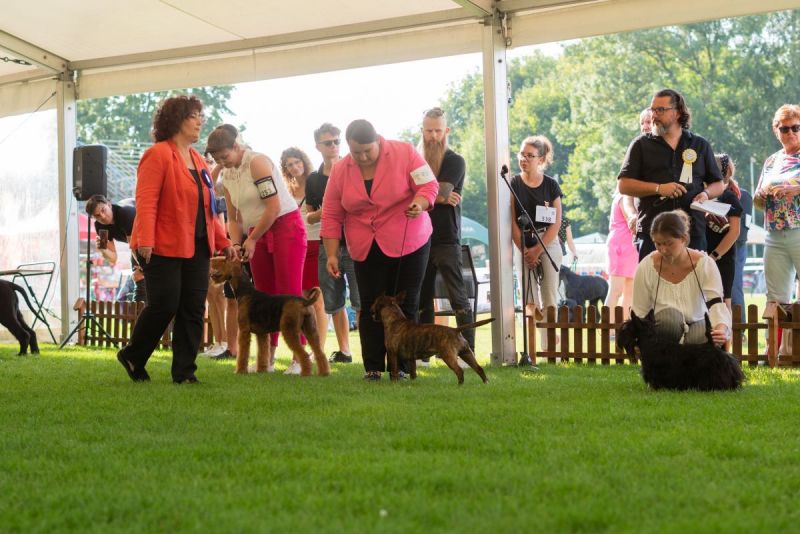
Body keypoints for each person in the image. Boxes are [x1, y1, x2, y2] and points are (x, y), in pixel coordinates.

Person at [119, 95, 233, 384]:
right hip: (162, 244)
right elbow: (146, 201)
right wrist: (145, 239)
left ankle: (184, 372)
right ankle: (133, 355)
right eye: (194, 116)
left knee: (193, 308)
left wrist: (223, 241)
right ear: (176, 120)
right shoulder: (157, 154)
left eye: (200, 116)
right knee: (165, 304)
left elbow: (208, 207)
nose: (200, 121)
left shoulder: (199, 159)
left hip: (198, 245)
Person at [321, 119, 438, 381]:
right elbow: (331, 214)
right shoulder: (340, 170)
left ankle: (403, 368)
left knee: (405, 304)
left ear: (378, 140)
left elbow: (428, 185)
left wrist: (419, 203)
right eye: (356, 152)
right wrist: (332, 254)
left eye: (367, 151)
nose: (362, 157)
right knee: (370, 306)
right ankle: (373, 368)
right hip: (365, 245)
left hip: (409, 239)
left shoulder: (404, 152)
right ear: (348, 146)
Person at [206, 124, 306, 373]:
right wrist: (236, 243)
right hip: (255, 231)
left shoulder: (258, 163)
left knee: (289, 291)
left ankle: (299, 357)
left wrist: (251, 239)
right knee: (263, 293)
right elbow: (233, 218)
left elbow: (273, 207)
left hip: (285, 226)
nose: (223, 163)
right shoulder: (227, 175)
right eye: (218, 160)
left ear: (236, 146)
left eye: (225, 157)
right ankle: (267, 358)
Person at [619, 89, 724, 261]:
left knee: (693, 279)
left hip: (692, 234)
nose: (654, 115)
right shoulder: (640, 145)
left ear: (677, 112)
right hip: (653, 235)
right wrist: (659, 188)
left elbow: (718, 184)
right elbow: (624, 185)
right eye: (653, 110)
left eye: (660, 110)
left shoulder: (699, 145)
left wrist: (706, 194)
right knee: (653, 279)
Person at [415, 107, 474, 368]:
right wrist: (437, 197)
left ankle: (467, 353)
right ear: (422, 130)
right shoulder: (415, 160)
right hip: (419, 237)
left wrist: (425, 195)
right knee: (421, 298)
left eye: (438, 130)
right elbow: (417, 193)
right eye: (429, 130)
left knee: (458, 297)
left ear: (446, 130)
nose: (433, 136)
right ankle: (423, 354)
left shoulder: (455, 160)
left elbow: (441, 191)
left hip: (447, 238)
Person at [631, 210, 731, 346]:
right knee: (669, 319)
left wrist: (721, 329)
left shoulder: (705, 263)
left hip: (698, 322)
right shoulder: (646, 266)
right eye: (658, 244)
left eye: (668, 243)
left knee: (702, 336)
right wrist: (638, 339)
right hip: (663, 328)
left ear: (683, 238)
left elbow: (716, 302)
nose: (663, 249)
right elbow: (639, 311)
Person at [306, 122, 360, 364]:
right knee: (333, 301)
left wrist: (333, 209)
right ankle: (344, 350)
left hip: (355, 243)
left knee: (360, 300)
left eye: (337, 141)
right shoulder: (313, 179)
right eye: (328, 142)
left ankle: (369, 353)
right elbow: (309, 216)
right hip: (328, 244)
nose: (334, 146)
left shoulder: (354, 169)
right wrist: (327, 210)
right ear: (318, 146)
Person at [510, 135, 563, 353]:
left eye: (529, 156)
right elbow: (512, 222)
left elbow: (556, 222)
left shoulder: (551, 185)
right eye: (522, 154)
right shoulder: (513, 183)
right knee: (529, 298)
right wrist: (525, 251)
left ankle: (550, 349)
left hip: (547, 242)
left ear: (541, 159)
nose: (523, 159)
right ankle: (532, 350)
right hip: (522, 243)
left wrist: (537, 250)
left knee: (549, 294)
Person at [280, 146, 328, 375]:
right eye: (289, 164)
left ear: (304, 162)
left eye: (297, 162)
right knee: (298, 301)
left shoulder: (316, 183)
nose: (294, 167)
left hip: (317, 242)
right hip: (296, 245)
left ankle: (319, 352)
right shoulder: (286, 189)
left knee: (316, 300)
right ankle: (299, 355)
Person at [755, 104, 800, 309]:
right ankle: (777, 333)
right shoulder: (772, 160)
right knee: (775, 300)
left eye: (796, 127)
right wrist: (760, 195)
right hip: (773, 233)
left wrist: (797, 189)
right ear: (776, 131)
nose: (790, 132)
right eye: (784, 128)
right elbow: (758, 201)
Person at [85, 195, 145, 303]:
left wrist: (143, 269)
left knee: (141, 275)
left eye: (103, 210)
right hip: (137, 244)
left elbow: (134, 245)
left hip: (151, 235)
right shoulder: (100, 226)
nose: (102, 216)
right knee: (139, 277)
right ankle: (139, 309)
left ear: (109, 204)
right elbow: (113, 258)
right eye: (97, 216)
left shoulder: (124, 213)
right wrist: (102, 249)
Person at [705, 154, 742, 309]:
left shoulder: (729, 197)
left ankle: (726, 326)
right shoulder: (701, 196)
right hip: (702, 256)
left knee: (723, 301)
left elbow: (734, 232)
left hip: (722, 258)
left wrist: (714, 256)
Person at [604, 187, 638, 319]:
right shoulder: (624, 197)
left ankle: (623, 325)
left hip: (631, 247)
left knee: (629, 292)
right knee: (616, 290)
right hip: (620, 246)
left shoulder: (629, 197)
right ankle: (607, 326)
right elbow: (631, 220)